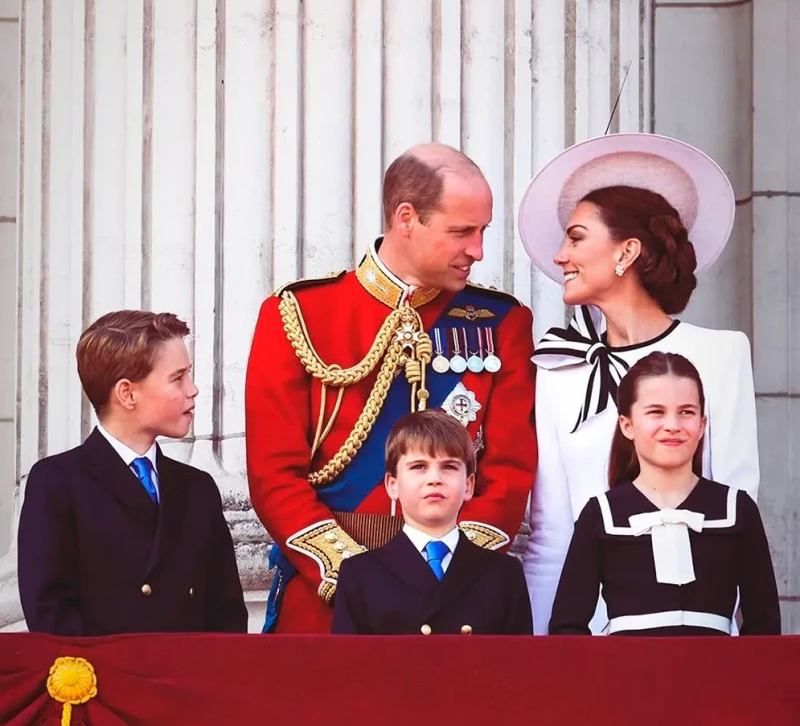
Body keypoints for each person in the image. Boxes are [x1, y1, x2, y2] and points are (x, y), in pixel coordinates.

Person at [246, 143, 537, 633]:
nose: (478, 250)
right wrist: (358, 578)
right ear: (406, 218)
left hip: (457, 600)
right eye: (462, 231)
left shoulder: (501, 321)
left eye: (483, 230)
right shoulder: (298, 315)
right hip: (329, 599)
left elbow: (508, 473)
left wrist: (447, 573)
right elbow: (274, 475)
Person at [517, 132, 759, 634]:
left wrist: (732, 648)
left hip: (693, 635)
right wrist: (548, 650)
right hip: (589, 644)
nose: (560, 256)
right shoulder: (558, 368)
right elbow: (551, 536)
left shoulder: (721, 354)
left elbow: (736, 517)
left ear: (627, 251)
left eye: (577, 237)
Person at [17, 310, 248, 636]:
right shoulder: (58, 482)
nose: (193, 390)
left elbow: (226, 617)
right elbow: (51, 613)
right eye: (177, 378)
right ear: (127, 393)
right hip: (104, 681)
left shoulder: (198, 488)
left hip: (190, 680)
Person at [549, 352, 780, 636]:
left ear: (702, 424)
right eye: (656, 412)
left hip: (718, 677)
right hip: (626, 676)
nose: (673, 425)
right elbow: (566, 627)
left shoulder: (736, 508)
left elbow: (764, 626)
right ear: (627, 426)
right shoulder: (601, 513)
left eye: (686, 412)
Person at [332, 411, 532, 635]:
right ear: (392, 485)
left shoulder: (504, 574)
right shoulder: (360, 575)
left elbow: (519, 665)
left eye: (448, 467)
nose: (434, 479)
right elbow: (348, 667)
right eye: (419, 467)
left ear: (468, 485)